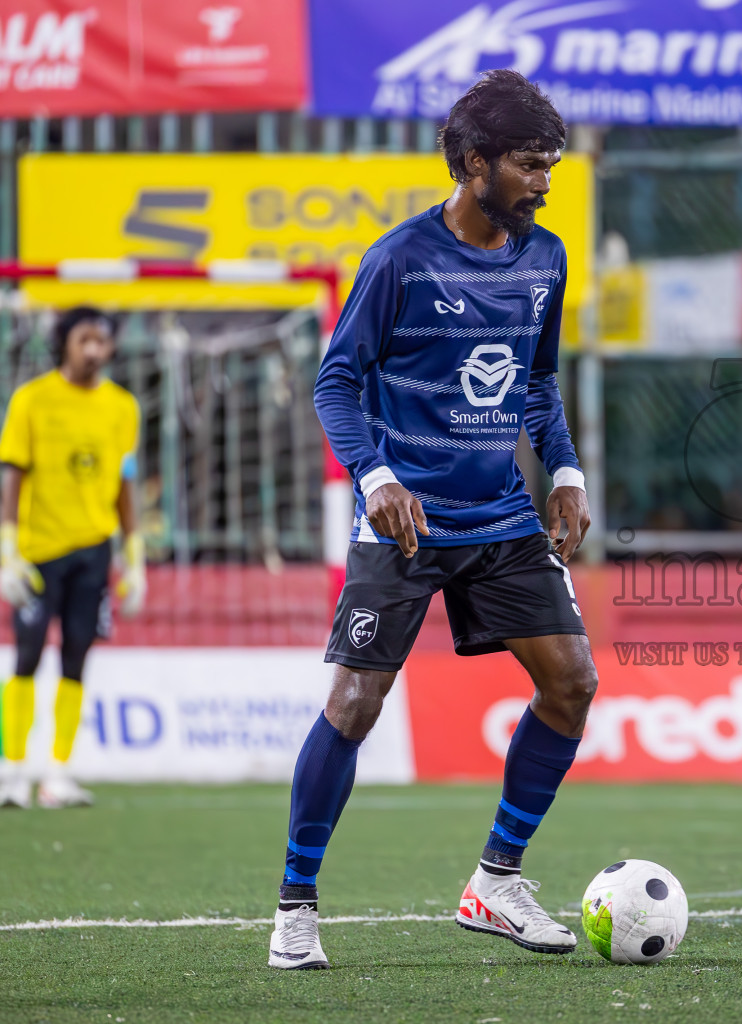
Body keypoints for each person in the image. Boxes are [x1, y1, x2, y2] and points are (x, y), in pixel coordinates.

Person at [267, 69, 596, 971]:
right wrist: (374, 475)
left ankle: (497, 880)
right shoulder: (399, 259)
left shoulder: (548, 256)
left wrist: (562, 468)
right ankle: (296, 905)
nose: (544, 180)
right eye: (531, 165)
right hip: (403, 521)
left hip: (499, 514)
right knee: (353, 702)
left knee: (572, 683)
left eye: (553, 165)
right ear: (474, 161)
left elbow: (535, 382)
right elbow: (336, 383)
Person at [0, 307, 146, 809]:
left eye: (102, 341)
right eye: (84, 339)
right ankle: (11, 771)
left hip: (93, 549)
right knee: (26, 655)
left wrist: (133, 551)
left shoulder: (123, 406)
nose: (93, 350)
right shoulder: (32, 399)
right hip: (40, 550)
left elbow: (124, 479)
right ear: (65, 342)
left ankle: (57, 774)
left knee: (77, 657)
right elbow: (13, 473)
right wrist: (7, 547)